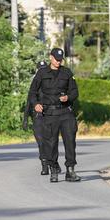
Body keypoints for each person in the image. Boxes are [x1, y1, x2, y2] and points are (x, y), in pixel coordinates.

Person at [28, 48, 81, 183]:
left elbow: (75, 92)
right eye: (56, 59)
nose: (58, 61)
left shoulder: (67, 73)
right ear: (50, 57)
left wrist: (68, 97)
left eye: (60, 59)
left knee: (70, 141)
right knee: (51, 143)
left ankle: (70, 170)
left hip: (65, 112)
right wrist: (35, 104)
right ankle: (53, 170)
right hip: (50, 113)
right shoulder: (41, 73)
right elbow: (32, 92)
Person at [23, 61, 61, 175]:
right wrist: (25, 118)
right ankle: (44, 166)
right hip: (37, 117)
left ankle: (54, 164)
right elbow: (29, 102)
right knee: (41, 142)